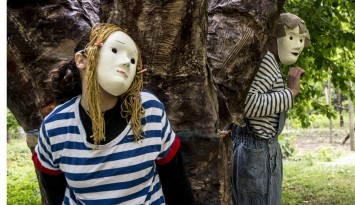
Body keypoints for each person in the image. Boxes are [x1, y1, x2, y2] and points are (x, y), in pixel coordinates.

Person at [32, 23, 195, 205]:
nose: (126, 62)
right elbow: (54, 192)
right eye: (115, 50)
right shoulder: (55, 127)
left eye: (133, 60)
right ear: (81, 60)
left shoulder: (149, 110)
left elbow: (176, 181)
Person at [230, 12, 310, 205]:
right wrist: (290, 92)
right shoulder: (266, 62)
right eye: (291, 37)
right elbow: (248, 105)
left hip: (258, 149)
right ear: (273, 38)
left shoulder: (269, 61)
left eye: (300, 39)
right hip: (257, 149)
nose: (298, 45)